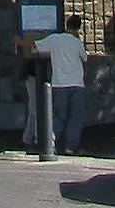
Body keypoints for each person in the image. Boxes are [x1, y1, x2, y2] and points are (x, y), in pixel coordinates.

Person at [34, 19, 87, 154]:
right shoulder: (77, 42)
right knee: (75, 117)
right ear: (78, 28)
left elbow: (36, 47)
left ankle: (50, 143)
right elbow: (84, 58)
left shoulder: (54, 39)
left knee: (58, 116)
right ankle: (71, 146)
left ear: (66, 26)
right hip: (76, 83)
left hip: (59, 84)